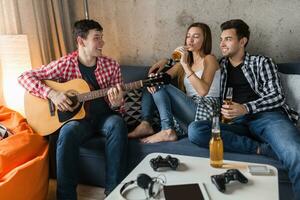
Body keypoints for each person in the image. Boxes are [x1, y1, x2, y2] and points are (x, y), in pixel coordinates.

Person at [188, 19, 300, 199]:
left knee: (295, 152)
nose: (222, 44)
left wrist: (246, 108)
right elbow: (190, 63)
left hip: (267, 118)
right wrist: (165, 62)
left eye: (228, 39)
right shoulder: (220, 66)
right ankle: (261, 149)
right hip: (236, 123)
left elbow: (277, 96)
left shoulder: (261, 62)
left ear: (242, 41)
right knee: (195, 130)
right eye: (221, 39)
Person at [18, 19, 127, 199]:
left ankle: (114, 192)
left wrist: (117, 104)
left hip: (104, 118)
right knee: (67, 131)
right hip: (78, 120)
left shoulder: (111, 65)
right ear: (81, 41)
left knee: (117, 123)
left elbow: (119, 108)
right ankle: (66, 196)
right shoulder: (65, 64)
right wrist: (52, 94)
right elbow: (24, 77)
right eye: (97, 38)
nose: (102, 43)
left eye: (102, 38)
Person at [128, 22, 220, 143]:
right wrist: (157, 72)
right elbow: (162, 78)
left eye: (196, 37)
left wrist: (185, 65)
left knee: (158, 83)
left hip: (205, 112)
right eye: (188, 36)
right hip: (187, 114)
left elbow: (203, 91)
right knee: (152, 82)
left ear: (205, 40)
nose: (190, 40)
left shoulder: (209, 59)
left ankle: (167, 130)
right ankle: (146, 123)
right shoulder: (184, 62)